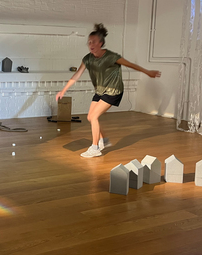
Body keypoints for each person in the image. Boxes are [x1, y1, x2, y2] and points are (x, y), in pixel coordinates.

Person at [56, 23, 161, 158]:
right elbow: (77, 75)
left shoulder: (111, 57)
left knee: (94, 117)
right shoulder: (87, 59)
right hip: (100, 91)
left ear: (100, 43)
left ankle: (95, 148)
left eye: (94, 42)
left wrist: (148, 72)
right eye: (89, 42)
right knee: (90, 117)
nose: (91, 44)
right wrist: (63, 90)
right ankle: (104, 140)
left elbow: (131, 65)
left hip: (113, 91)